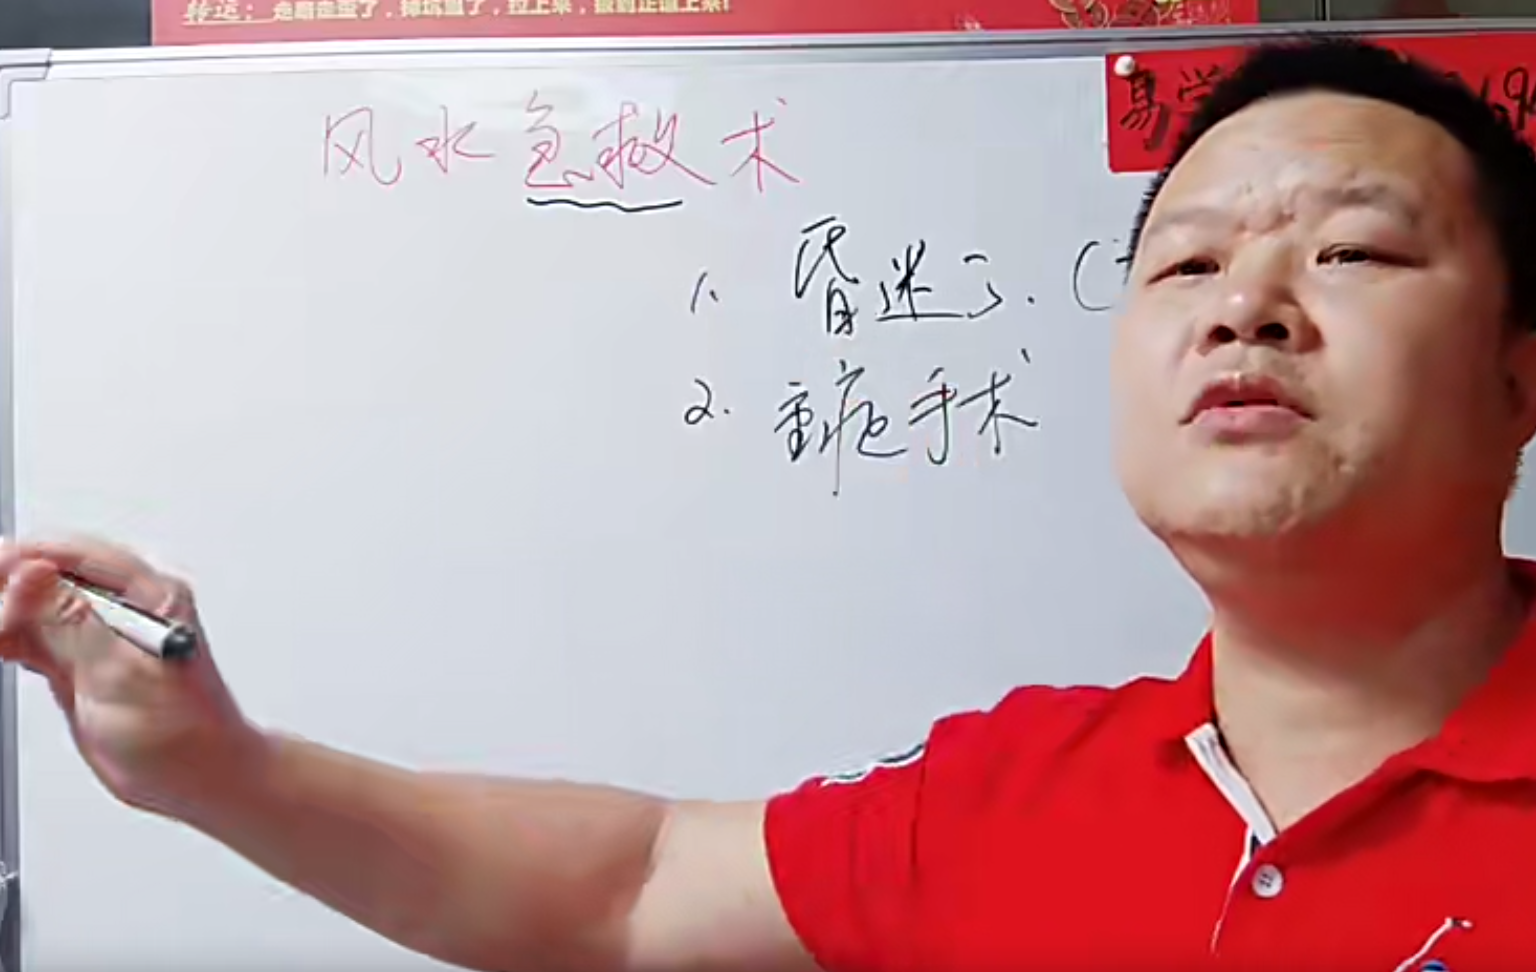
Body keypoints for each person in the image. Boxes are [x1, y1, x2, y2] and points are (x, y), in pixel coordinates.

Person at [5, 34, 1536, 971]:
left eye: (1352, 252)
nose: (1244, 306)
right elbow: (627, 893)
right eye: (1187, 264)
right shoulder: (1015, 795)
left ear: (1521, 376)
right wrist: (219, 771)